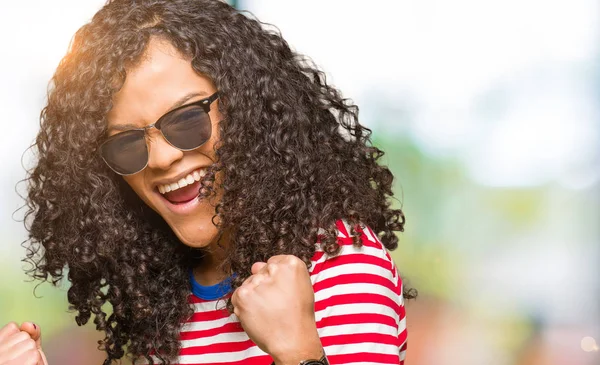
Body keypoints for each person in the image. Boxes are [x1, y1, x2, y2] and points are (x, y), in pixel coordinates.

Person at [0, 0, 415, 364]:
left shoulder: (339, 263)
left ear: (248, 110)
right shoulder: (164, 302)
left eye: (186, 120)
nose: (162, 157)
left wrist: (301, 355)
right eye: (127, 142)